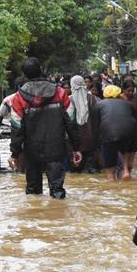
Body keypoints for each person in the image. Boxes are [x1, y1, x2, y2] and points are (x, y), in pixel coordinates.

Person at [9, 57, 81, 198]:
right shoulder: (60, 93)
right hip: (56, 148)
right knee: (57, 191)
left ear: (24, 74)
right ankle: (58, 216)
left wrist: (15, 154)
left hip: (31, 150)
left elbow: (17, 128)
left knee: (33, 192)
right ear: (41, 70)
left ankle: (36, 217)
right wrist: (76, 147)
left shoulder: (18, 97)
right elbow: (71, 121)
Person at [91, 84, 137, 181]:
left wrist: (98, 148)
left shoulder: (98, 105)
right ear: (119, 95)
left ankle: (112, 186)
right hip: (129, 133)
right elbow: (136, 124)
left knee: (110, 169)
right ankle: (125, 170)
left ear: (104, 96)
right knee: (125, 147)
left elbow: (95, 128)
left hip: (108, 134)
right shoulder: (129, 104)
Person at [68, 75, 101, 173]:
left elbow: (68, 122)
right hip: (93, 140)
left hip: (75, 142)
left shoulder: (68, 101)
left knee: (76, 171)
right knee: (93, 171)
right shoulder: (96, 99)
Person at [120, 79, 137, 172]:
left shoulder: (135, 98)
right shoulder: (119, 99)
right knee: (124, 151)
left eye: (132, 90)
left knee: (132, 151)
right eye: (128, 90)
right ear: (123, 90)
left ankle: (129, 171)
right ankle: (125, 170)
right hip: (123, 130)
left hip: (134, 129)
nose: (130, 92)